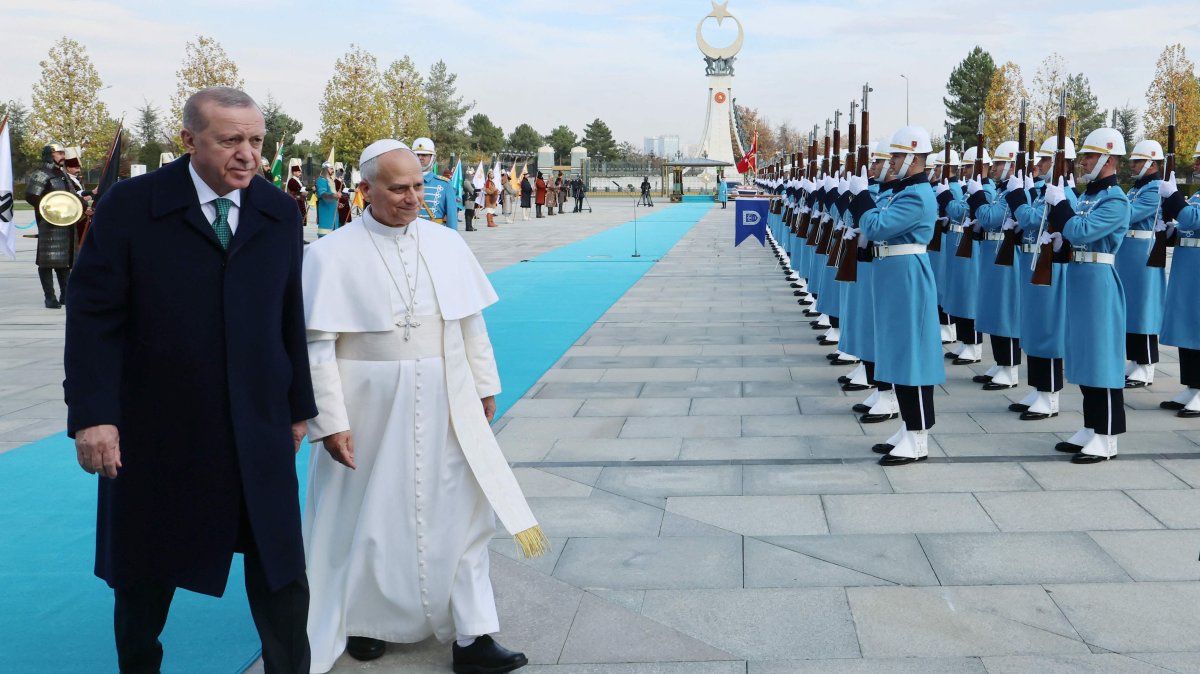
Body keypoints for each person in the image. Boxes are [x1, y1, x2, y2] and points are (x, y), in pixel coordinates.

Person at [64, 86, 315, 674]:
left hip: (257, 421)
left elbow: (289, 315)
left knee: (282, 572)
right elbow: (94, 315)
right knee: (145, 574)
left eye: (256, 140)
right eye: (231, 140)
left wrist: (298, 406)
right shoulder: (132, 205)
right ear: (189, 140)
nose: (248, 154)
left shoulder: (279, 212)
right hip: (158, 427)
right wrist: (94, 416)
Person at [300, 139, 541, 673]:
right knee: (367, 514)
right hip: (366, 402)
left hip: (445, 394)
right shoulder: (328, 254)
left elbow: (470, 323)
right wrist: (330, 422)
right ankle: (364, 622)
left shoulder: (447, 244)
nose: (414, 198)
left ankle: (474, 635)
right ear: (365, 191)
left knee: (464, 509)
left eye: (417, 186)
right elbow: (317, 348)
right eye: (399, 188)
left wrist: (484, 384)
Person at [846, 126, 943, 466]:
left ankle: (918, 437)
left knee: (911, 354)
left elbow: (874, 226)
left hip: (906, 275)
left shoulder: (917, 196)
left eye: (898, 156)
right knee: (896, 351)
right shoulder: (901, 193)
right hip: (892, 274)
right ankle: (907, 427)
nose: (892, 162)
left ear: (914, 159)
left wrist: (861, 198)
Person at [1044, 127, 1131, 463]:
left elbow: (1082, 230)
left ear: (1108, 159)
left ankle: (1108, 435)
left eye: (1090, 156)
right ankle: (1091, 425)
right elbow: (1072, 236)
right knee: (1082, 353)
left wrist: (1062, 205)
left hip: (1098, 280)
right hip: (1080, 277)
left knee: (1102, 358)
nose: (1083, 161)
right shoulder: (1089, 197)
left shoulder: (1116, 200)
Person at [1007, 136, 1076, 421]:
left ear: (1060, 162)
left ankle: (1050, 396)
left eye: (1045, 160)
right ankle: (1038, 389)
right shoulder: (1043, 192)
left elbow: (1031, 220)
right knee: (1034, 327)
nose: (1039, 165)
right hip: (1035, 265)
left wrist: (1017, 199)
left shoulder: (1064, 195)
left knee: (1047, 329)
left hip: (1051, 269)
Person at [1116, 139, 1166, 388]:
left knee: (1143, 309)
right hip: (1128, 252)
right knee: (1131, 308)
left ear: (1151, 162)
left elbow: (1131, 214)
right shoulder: (1137, 188)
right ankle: (1135, 361)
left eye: (1137, 161)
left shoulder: (1155, 187)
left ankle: (1146, 365)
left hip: (1142, 252)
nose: (1132, 165)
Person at [1158, 143, 1200, 417]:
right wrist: (1171, 230)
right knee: (1188, 327)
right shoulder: (1197, 195)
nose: (1195, 165)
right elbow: (1186, 225)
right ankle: (1193, 385)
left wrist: (1174, 197)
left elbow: (1193, 219)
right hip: (1189, 266)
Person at [23, 141, 74, 308]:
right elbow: (31, 196)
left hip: (65, 223)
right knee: (46, 261)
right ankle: (49, 297)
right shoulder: (41, 174)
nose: (63, 156)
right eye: (59, 153)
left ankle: (66, 295)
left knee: (63, 261)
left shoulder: (62, 174)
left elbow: (71, 196)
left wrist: (83, 208)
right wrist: (49, 209)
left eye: (62, 153)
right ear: (50, 154)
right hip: (48, 223)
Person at [411, 137, 459, 229]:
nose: (420, 157)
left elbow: (452, 218)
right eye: (417, 155)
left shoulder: (444, 184)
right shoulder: (404, 181)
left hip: (435, 234)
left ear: (432, 158)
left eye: (424, 155)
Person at [316, 161, 339, 238]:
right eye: (331, 168)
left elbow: (332, 193)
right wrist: (335, 195)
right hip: (326, 209)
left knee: (334, 232)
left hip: (333, 208)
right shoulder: (321, 180)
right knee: (325, 231)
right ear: (326, 169)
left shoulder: (331, 180)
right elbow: (322, 194)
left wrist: (337, 202)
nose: (333, 170)